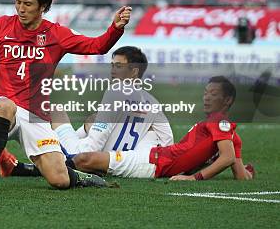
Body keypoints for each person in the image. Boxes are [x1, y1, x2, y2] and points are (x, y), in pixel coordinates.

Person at [0, 0, 132, 192]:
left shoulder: (56, 34)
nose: (21, 9)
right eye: (18, 2)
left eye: (28, 4)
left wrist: (115, 28)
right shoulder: (2, 24)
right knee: (5, 106)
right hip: (1, 107)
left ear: (43, 7)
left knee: (59, 180)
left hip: (35, 115)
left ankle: (72, 176)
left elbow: (96, 46)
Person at [0, 46, 174, 178]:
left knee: (54, 111)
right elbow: (168, 141)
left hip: (86, 154)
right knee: (92, 120)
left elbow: (94, 144)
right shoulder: (153, 103)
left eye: (119, 66)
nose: (113, 70)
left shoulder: (115, 92)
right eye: (112, 65)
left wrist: (80, 159)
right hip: (118, 158)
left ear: (134, 71)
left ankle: (6, 140)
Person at [73, 76, 255, 181]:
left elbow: (228, 157)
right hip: (157, 156)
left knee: (85, 159)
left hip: (155, 162)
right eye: (205, 93)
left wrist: (194, 178)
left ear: (228, 100)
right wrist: (249, 172)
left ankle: (50, 167)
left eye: (213, 94)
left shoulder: (220, 123)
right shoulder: (230, 135)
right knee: (93, 146)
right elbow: (240, 175)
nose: (206, 98)